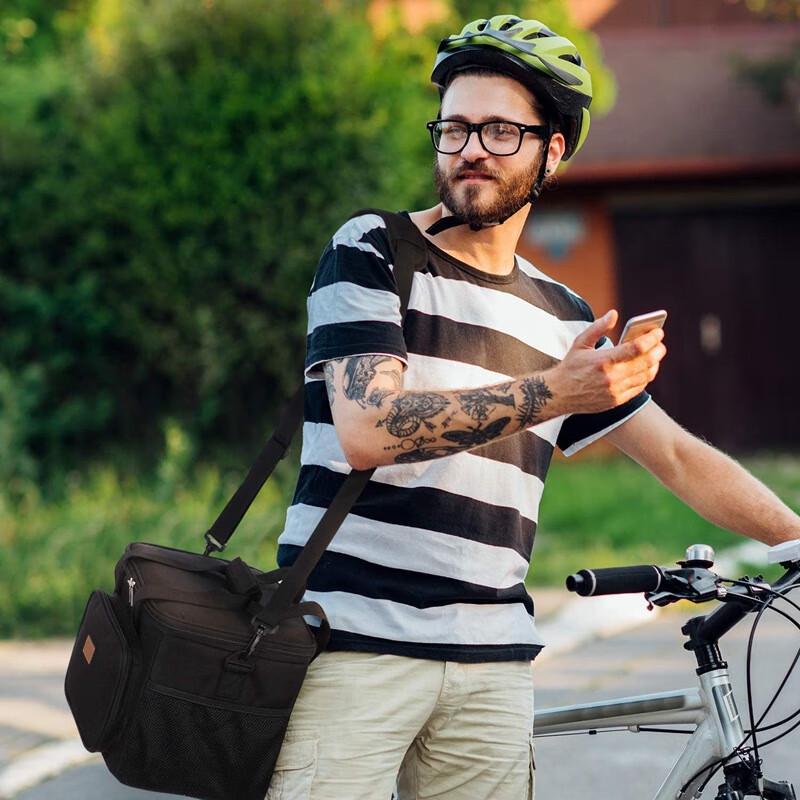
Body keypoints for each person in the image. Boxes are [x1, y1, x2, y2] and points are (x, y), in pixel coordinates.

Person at [270, 14, 800, 800]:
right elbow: (367, 429)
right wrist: (557, 388)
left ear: (552, 149)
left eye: (497, 130)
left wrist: (795, 533)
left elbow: (680, 457)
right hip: (351, 648)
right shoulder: (374, 251)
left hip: (492, 667)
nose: (470, 148)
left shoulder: (561, 314)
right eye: (453, 128)